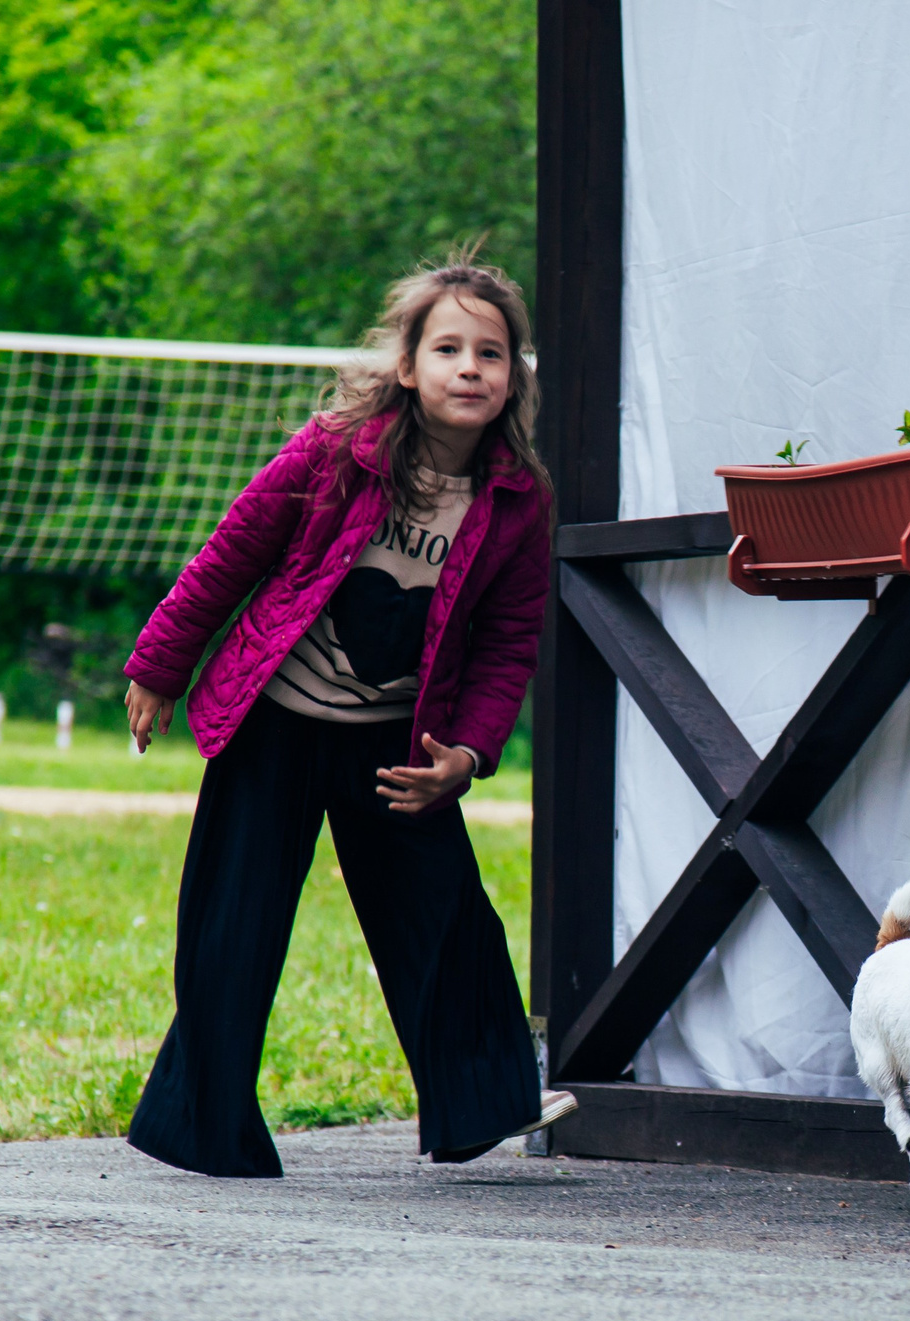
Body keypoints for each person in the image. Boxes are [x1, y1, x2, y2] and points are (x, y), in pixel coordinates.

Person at [118, 255, 574, 1178]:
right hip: (274, 723)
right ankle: (206, 1129)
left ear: (512, 376)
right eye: (448, 347)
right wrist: (162, 665)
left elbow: (509, 643)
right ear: (407, 365)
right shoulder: (336, 450)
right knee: (232, 921)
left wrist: (471, 756)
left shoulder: (519, 503)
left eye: (493, 352)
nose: (471, 367)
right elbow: (230, 553)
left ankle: (478, 1106)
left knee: (447, 916)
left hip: (395, 744)